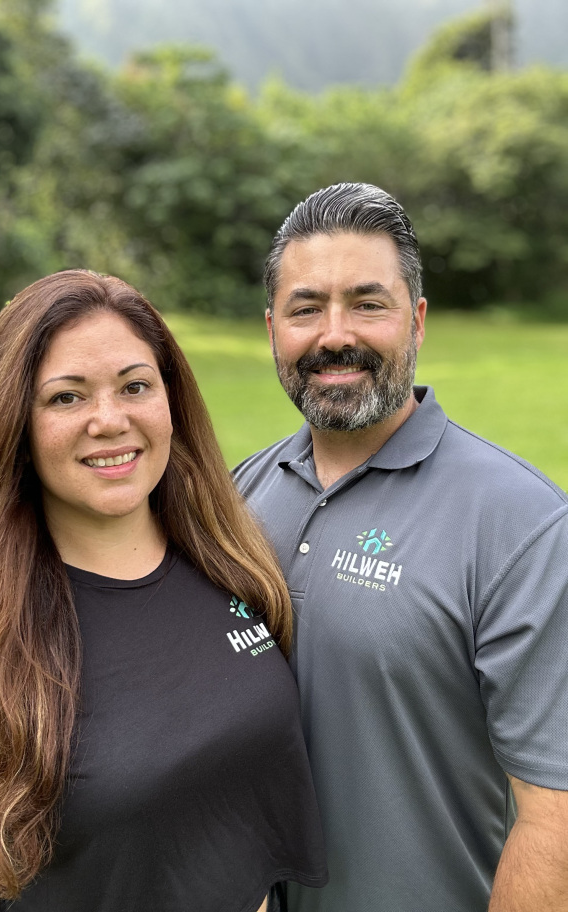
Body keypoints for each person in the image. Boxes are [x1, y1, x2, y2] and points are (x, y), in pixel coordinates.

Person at [0, 270, 328, 912]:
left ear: (171, 401)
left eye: (135, 386)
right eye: (66, 397)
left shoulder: (236, 568)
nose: (110, 421)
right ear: (14, 424)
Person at [233, 182, 568, 912]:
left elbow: (556, 822)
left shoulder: (523, 524)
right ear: (272, 328)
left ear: (416, 321)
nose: (334, 335)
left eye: (367, 303)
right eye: (306, 308)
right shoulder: (235, 498)